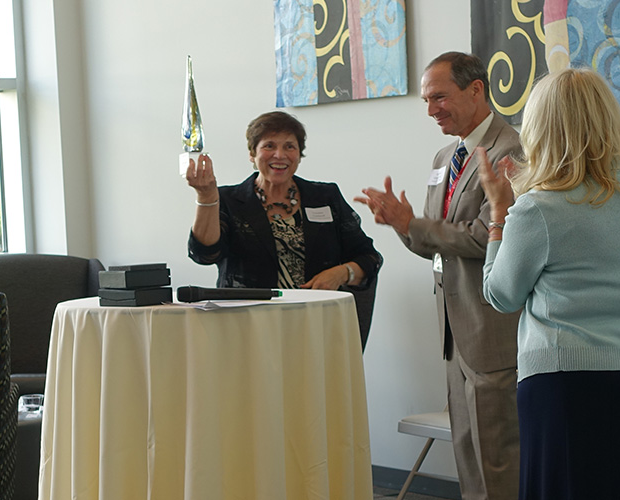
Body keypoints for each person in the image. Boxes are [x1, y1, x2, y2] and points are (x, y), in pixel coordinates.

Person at [478, 68, 620, 499]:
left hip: (575, 382)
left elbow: (501, 294)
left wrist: (499, 212)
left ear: (540, 129)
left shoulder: (538, 209)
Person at [355, 52, 520, 500]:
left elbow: (490, 235)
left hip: (492, 329)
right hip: (454, 331)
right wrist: (402, 224)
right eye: (427, 101)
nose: (431, 110)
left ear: (476, 90)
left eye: (440, 97)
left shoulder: (513, 149)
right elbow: (433, 241)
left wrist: (414, 226)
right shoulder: (445, 155)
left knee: (499, 459)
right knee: (466, 451)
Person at [185, 110, 383, 348]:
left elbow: (370, 258)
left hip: (317, 328)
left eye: (290, 146)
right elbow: (205, 254)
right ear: (252, 153)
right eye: (269, 145)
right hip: (247, 332)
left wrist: (342, 273)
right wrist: (206, 197)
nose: (280, 155)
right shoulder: (229, 200)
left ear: (299, 154)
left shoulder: (325, 197)